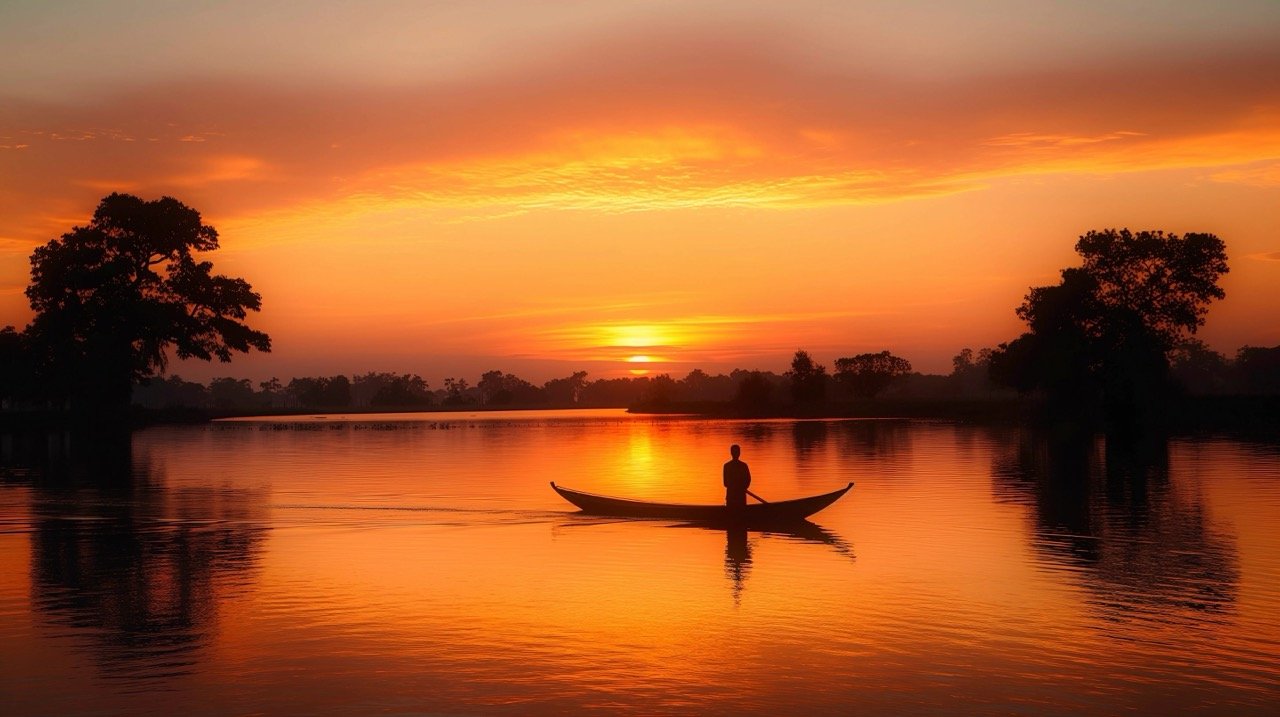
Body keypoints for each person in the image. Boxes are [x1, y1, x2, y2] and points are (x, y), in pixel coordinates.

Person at [722, 444, 752, 510]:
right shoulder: (726, 466)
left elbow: (748, 479)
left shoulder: (744, 466)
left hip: (741, 497)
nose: (736, 454)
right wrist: (737, 487)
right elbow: (725, 483)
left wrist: (743, 487)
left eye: (737, 452)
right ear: (731, 453)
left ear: (739, 453)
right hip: (731, 497)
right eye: (734, 452)